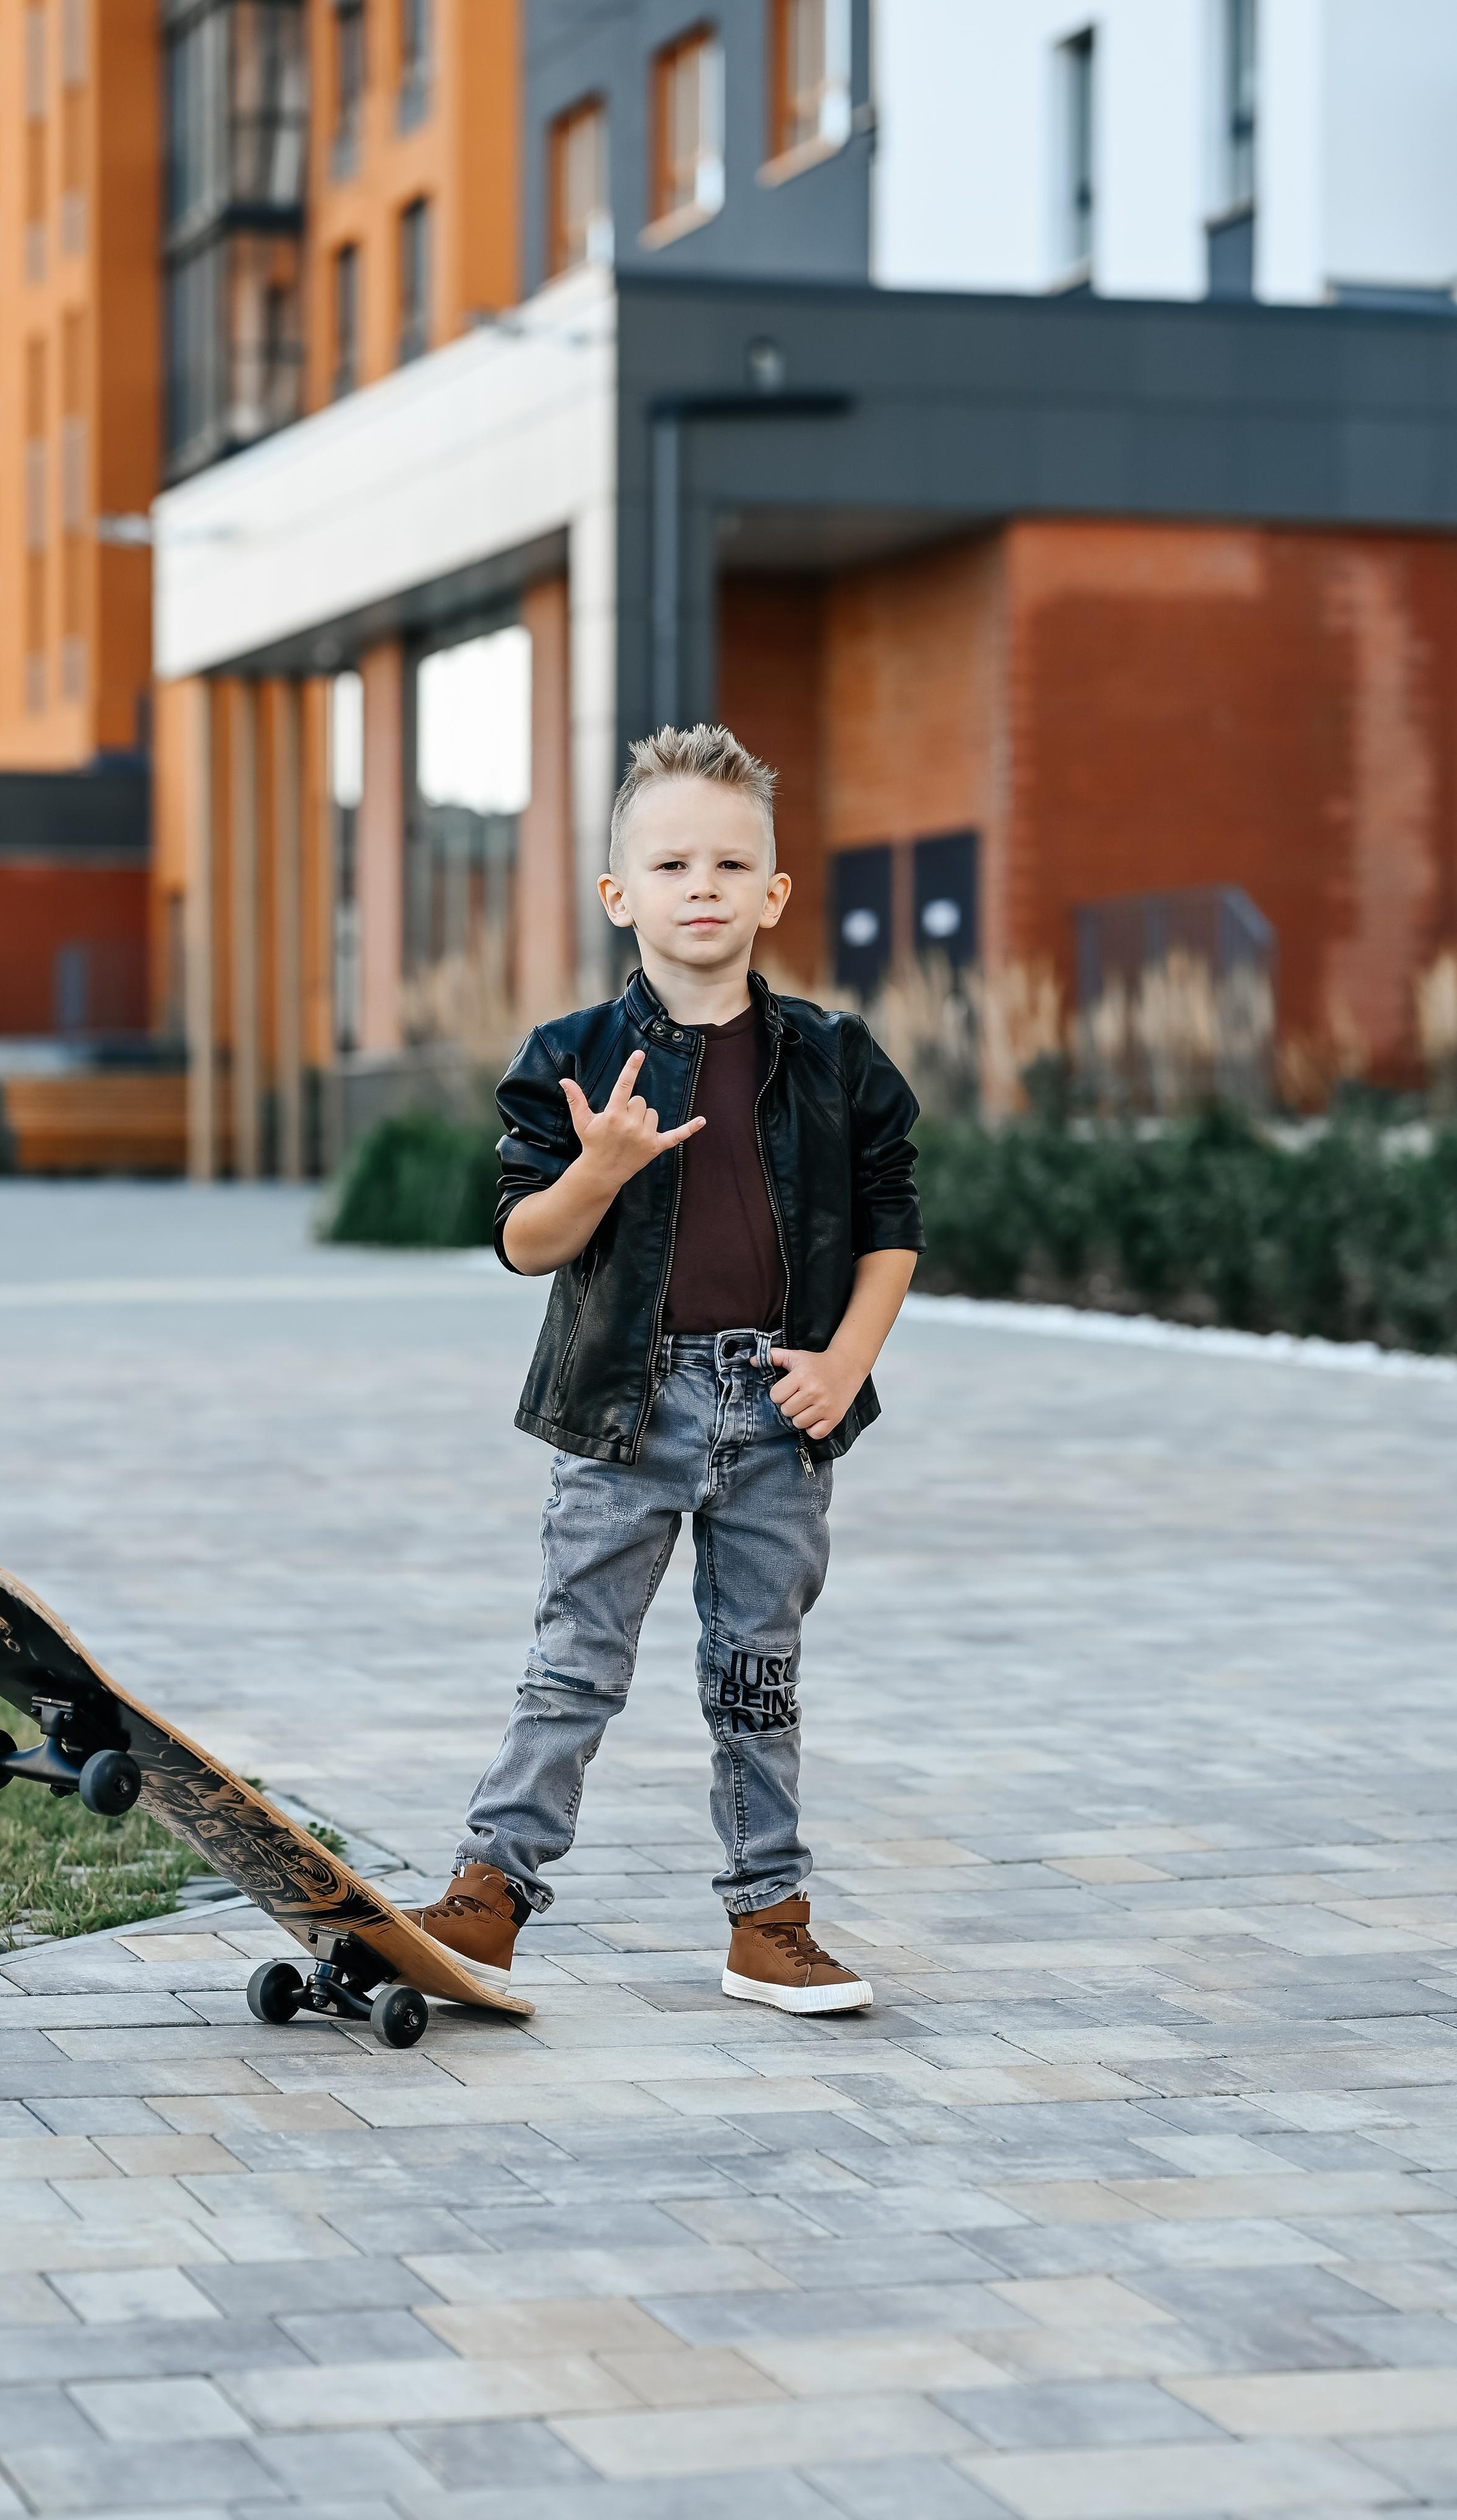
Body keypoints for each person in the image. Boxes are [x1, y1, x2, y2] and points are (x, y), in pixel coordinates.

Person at [411, 724, 923, 2013]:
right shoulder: (570, 1057)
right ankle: (488, 1894)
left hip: (779, 1408)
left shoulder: (835, 1059)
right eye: (672, 861)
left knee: (757, 1671)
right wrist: (598, 1167)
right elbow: (525, 1242)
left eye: (729, 862)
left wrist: (844, 1360)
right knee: (573, 1659)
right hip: (620, 1405)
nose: (702, 884)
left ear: (771, 892)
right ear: (618, 893)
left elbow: (889, 1228)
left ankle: (770, 1919)